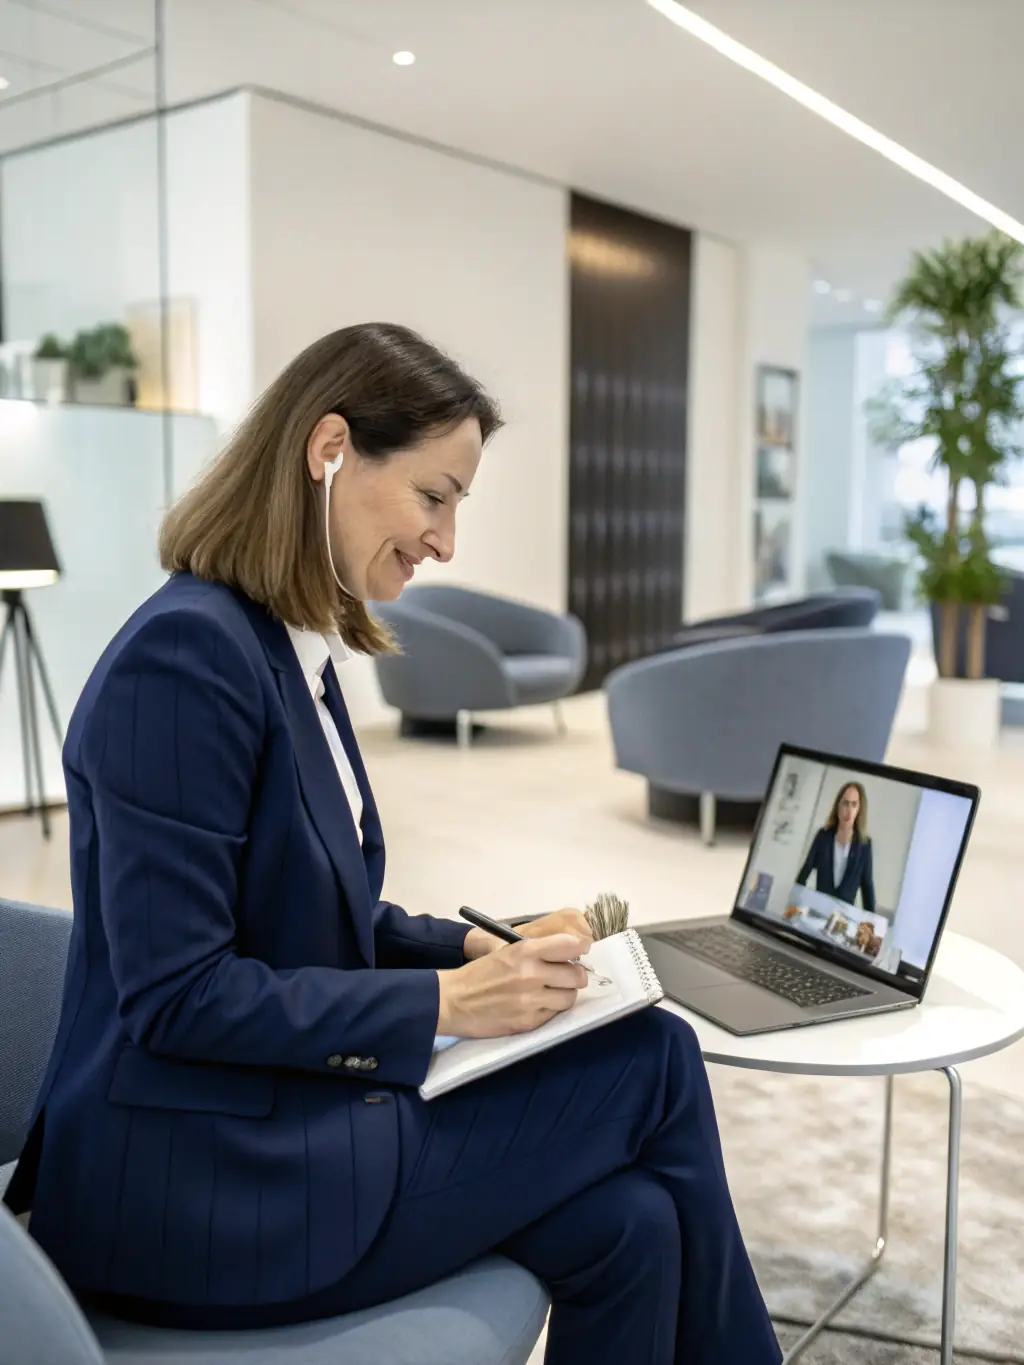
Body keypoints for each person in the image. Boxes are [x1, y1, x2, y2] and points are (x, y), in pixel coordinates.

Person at [4, 324, 780, 1365]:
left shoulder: (292, 654)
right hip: (194, 1189)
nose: (448, 542)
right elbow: (179, 994)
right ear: (329, 450)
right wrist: (448, 1008)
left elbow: (299, 915)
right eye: (434, 496)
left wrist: (468, 952)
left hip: (268, 1132)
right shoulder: (185, 658)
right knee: (652, 1056)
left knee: (632, 1227)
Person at [793, 781, 876, 915]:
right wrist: (794, 902)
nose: (848, 810)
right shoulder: (823, 836)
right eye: (845, 803)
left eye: (854, 804)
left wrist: (871, 923)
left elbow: (867, 886)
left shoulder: (865, 845)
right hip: (817, 913)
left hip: (842, 920)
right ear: (838, 805)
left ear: (859, 809)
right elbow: (805, 871)